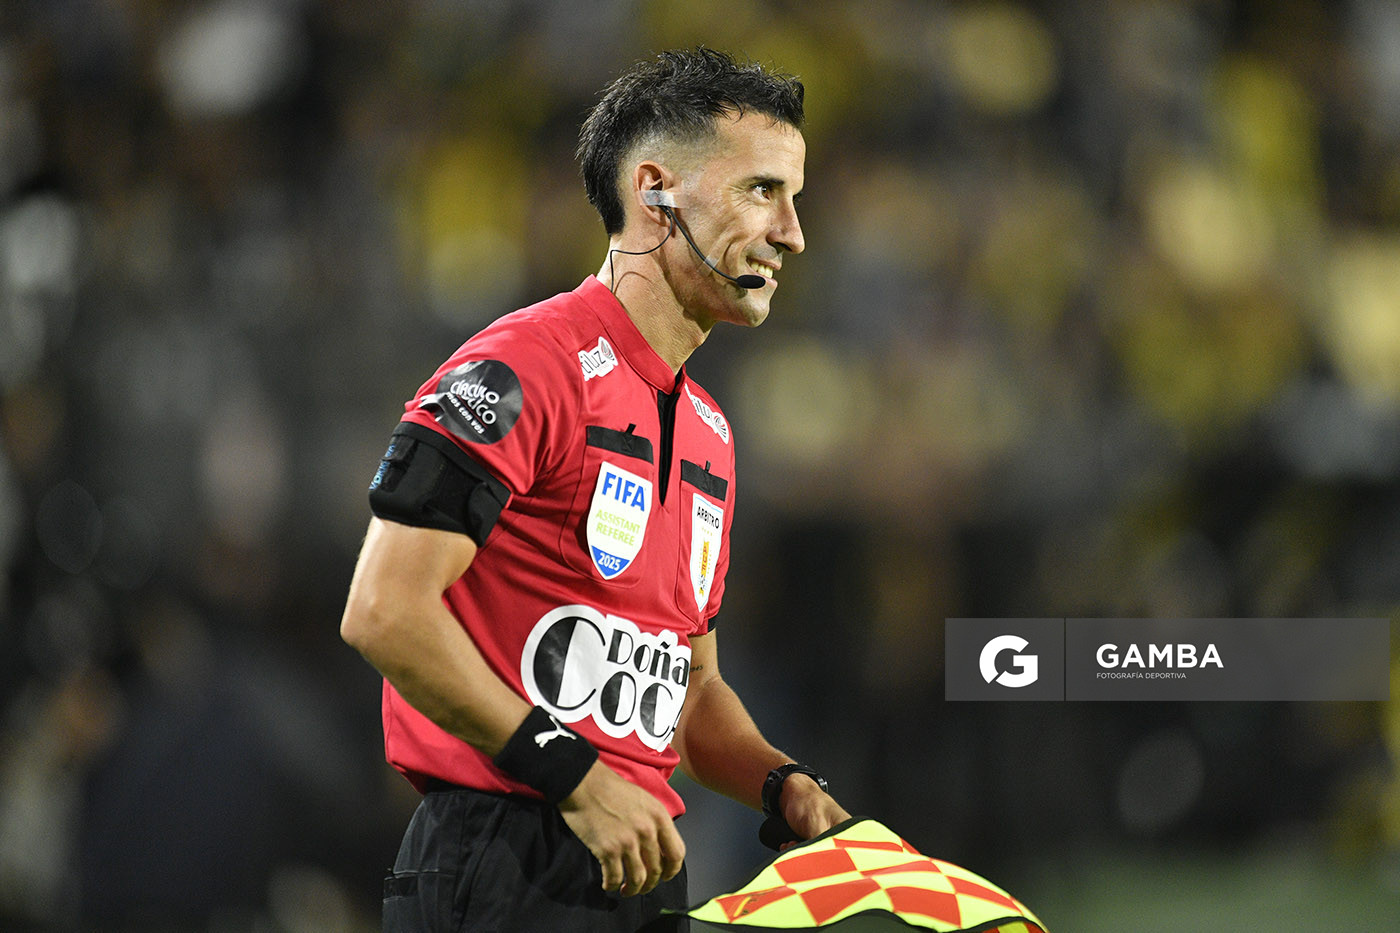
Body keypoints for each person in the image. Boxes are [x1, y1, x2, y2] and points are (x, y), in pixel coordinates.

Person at [340, 47, 850, 932]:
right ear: (655, 190)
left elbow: (685, 695)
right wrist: (571, 774)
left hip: (634, 867)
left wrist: (782, 783)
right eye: (762, 191)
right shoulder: (523, 366)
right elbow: (384, 610)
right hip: (499, 860)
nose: (793, 232)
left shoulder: (712, 436)